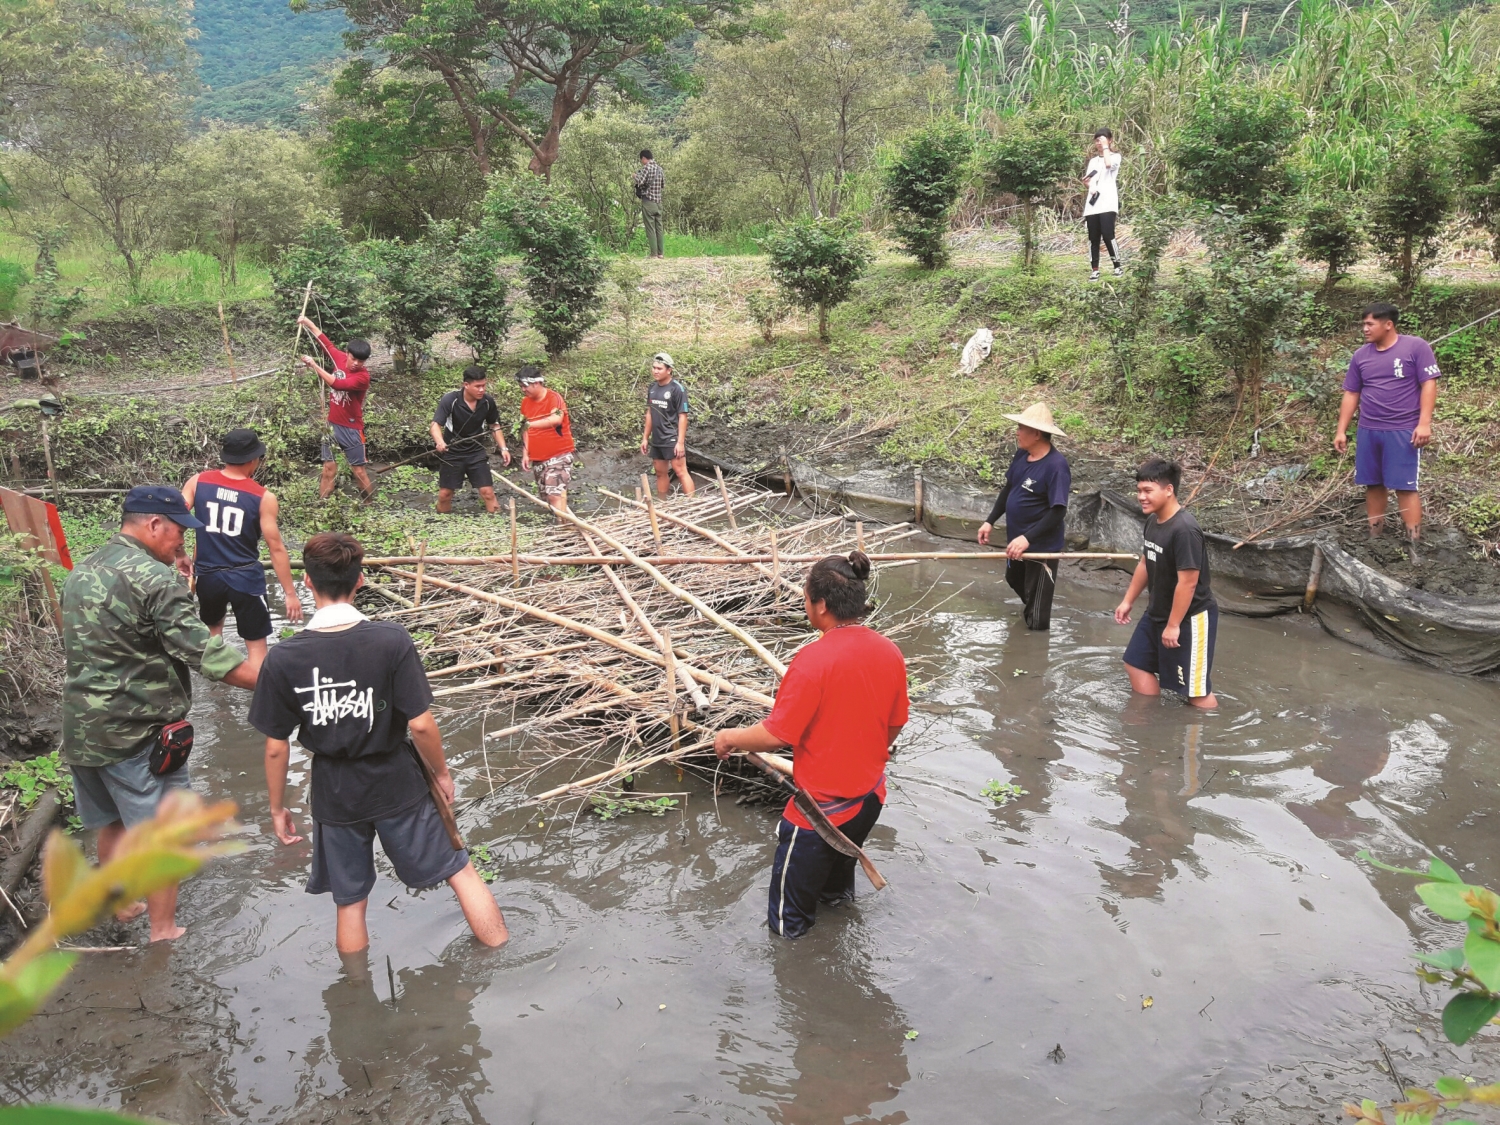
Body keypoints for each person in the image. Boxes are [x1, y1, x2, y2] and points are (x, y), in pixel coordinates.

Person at [249, 532, 508, 954]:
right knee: (459, 869)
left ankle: (354, 999)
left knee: (349, 902)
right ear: (361, 580)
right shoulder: (391, 640)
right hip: (396, 779)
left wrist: (278, 807)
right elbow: (421, 725)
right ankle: (503, 957)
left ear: (308, 583)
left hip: (335, 790)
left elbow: (276, 745)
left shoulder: (284, 657)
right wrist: (441, 773)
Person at [61, 486, 259, 942]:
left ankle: (124, 902)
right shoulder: (156, 580)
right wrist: (273, 686)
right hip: (137, 733)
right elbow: (205, 655)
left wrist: (175, 579)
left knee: (110, 821)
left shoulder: (84, 569)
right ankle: (163, 929)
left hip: (84, 727)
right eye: (177, 535)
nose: (182, 546)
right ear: (153, 525)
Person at [713, 552, 908, 939]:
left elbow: (777, 735)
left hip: (820, 816)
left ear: (820, 605)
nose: (805, 605)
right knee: (836, 896)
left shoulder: (812, 661)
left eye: (805, 598)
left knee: (787, 928)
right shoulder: (889, 651)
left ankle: (802, 987)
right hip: (868, 800)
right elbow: (895, 724)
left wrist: (729, 737)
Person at [181, 428, 303, 671]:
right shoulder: (262, 497)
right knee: (256, 648)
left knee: (212, 636)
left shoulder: (198, 482)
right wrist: (290, 593)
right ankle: (257, 699)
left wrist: (179, 555)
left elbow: (176, 518)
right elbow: (276, 548)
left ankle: (218, 700)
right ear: (253, 459)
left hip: (208, 576)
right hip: (245, 578)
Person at [1333, 301, 1440, 561]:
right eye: (1363, 324)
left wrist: (1424, 423)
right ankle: (1375, 537)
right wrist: (1341, 430)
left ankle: (1414, 544)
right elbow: (1352, 393)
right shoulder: (1361, 355)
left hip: (1402, 430)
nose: (1365, 329)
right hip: (1369, 429)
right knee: (1373, 484)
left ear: (1388, 324)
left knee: (1405, 486)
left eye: (1370, 324)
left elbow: (1429, 384)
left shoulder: (1416, 347)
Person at [1113, 458, 1218, 710]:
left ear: (1168, 490)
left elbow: (1188, 583)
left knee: (1196, 692)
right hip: (1157, 612)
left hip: (1189, 618)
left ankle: (1208, 735)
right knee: (1135, 664)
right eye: (1139, 491)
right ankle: (1152, 722)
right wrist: (1128, 600)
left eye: (1148, 491)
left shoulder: (1184, 530)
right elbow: (1144, 563)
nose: (1141, 497)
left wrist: (1173, 626)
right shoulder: (1153, 521)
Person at [976, 403, 1071, 630]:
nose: (1017, 432)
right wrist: (990, 520)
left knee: (1038, 618)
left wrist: (1028, 538)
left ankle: (1035, 643)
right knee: (1014, 579)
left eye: (1021, 428)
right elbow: (1009, 489)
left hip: (1041, 547)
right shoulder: (1022, 455)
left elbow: (1058, 510)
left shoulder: (1056, 467)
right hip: (1016, 542)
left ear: (1036, 434)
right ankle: (1032, 608)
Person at [297, 314, 375, 502]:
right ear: (347, 353)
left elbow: (337, 384)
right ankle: (322, 505)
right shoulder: (339, 358)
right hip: (331, 425)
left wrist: (314, 365)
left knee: (358, 471)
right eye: (354, 359)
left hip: (351, 428)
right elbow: (325, 342)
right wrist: (307, 322)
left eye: (361, 361)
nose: (356, 364)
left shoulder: (363, 377)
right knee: (328, 468)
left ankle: (371, 503)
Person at [430, 364, 512, 514]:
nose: (482, 390)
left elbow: (494, 426)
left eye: (484, 386)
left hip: (476, 452)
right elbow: (435, 425)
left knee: (488, 492)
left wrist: (503, 448)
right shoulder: (450, 400)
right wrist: (440, 442)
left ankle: (497, 523)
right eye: (477, 386)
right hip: (452, 453)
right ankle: (441, 520)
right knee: (445, 494)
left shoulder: (487, 402)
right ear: (466, 385)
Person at [517, 365, 575, 513]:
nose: (523, 389)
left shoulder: (554, 398)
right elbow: (524, 429)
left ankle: (562, 528)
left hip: (559, 456)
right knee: (548, 498)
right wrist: (525, 453)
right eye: (521, 386)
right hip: (538, 459)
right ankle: (564, 524)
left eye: (525, 386)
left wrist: (531, 424)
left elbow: (556, 419)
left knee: (554, 494)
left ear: (536, 383)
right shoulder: (525, 403)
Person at [640, 352, 696, 498]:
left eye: (659, 368)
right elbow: (650, 413)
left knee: (680, 471)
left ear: (669, 369)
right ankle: (662, 504)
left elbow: (683, 416)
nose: (655, 371)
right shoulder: (652, 388)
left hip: (672, 437)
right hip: (657, 438)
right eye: (654, 368)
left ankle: (693, 504)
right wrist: (645, 437)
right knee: (660, 472)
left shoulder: (677, 389)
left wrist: (680, 442)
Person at [1082, 127, 1122, 281]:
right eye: (1097, 140)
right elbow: (1091, 183)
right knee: (1093, 237)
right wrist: (1087, 184)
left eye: (1102, 139)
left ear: (1110, 140)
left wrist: (1106, 147)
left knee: (1108, 234)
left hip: (1108, 202)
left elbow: (1108, 165)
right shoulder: (1092, 161)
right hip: (1093, 205)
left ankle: (1117, 266)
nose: (1099, 143)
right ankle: (1095, 269)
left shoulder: (1115, 157)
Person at [633, 149, 665, 259]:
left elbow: (640, 181)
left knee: (650, 228)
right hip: (658, 203)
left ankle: (653, 254)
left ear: (644, 158)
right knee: (659, 228)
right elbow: (662, 185)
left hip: (648, 202)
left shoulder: (647, 167)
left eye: (641, 160)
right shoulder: (660, 169)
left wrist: (635, 176)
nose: (642, 162)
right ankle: (660, 254)